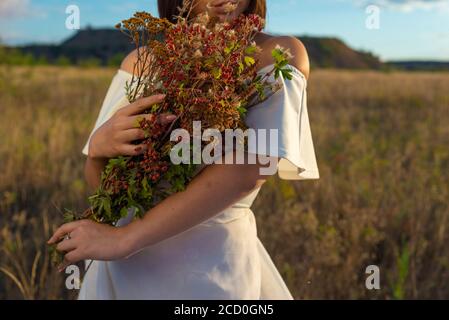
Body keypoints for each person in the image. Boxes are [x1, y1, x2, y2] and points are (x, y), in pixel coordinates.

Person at [48, 0, 320, 299]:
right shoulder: (143, 60)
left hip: (209, 270)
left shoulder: (279, 54)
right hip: (125, 269)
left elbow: (253, 166)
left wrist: (125, 239)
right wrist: (100, 148)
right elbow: (103, 185)